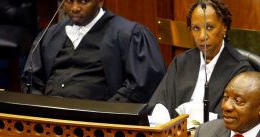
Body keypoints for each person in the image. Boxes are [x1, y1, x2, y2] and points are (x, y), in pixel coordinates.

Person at [20, 0, 165, 103]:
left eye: (83, 1)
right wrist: (41, 108)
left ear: (100, 1)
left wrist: (105, 113)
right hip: (50, 123)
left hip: (101, 126)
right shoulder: (51, 34)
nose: (75, 8)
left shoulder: (129, 34)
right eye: (69, 1)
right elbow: (32, 80)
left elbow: (141, 85)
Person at [146, 0, 252, 126]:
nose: (202, 36)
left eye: (209, 27)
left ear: (224, 27)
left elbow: (231, 118)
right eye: (196, 28)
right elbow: (160, 101)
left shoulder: (240, 69)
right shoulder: (181, 62)